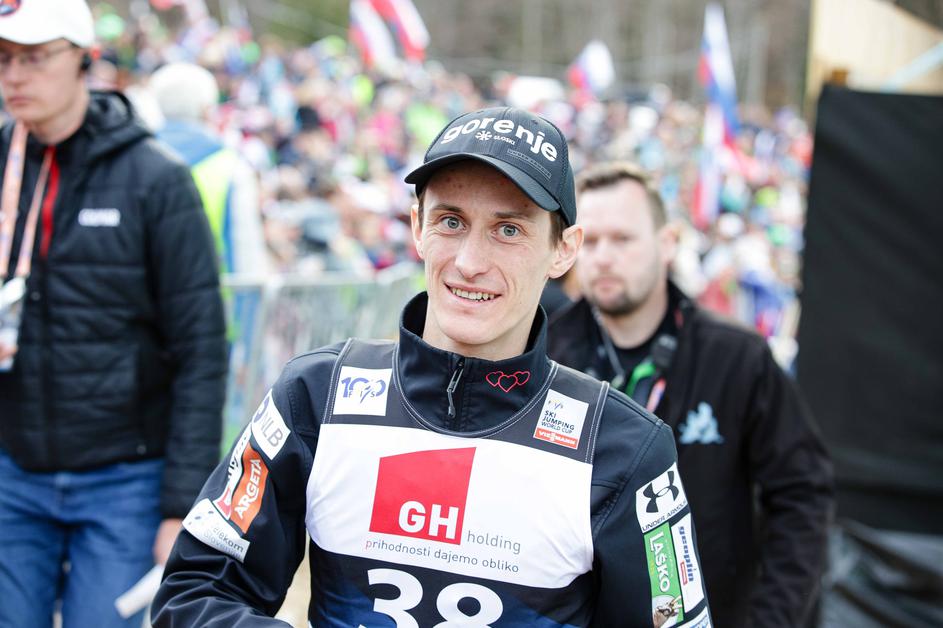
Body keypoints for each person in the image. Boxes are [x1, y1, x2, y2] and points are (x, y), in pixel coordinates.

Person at [153, 108, 713, 627]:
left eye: (509, 229)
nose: (470, 262)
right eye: (451, 221)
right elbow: (194, 593)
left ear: (564, 250)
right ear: (417, 225)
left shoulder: (624, 446)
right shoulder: (317, 394)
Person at [0, 2, 227, 627]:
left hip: (123, 479)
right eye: (5, 59)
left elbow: (201, 345)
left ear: (85, 59)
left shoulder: (156, 178)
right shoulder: (3, 165)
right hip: (13, 469)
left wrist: (181, 505)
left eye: (34, 57)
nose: (15, 76)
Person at [547, 161, 833, 627]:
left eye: (622, 239)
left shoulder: (737, 357)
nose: (603, 257)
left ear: (667, 244)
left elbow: (803, 495)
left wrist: (771, 619)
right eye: (591, 241)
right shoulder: (545, 352)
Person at [149, 61, 270, 276]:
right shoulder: (231, 167)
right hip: (214, 291)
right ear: (207, 109)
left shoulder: (134, 162)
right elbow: (246, 256)